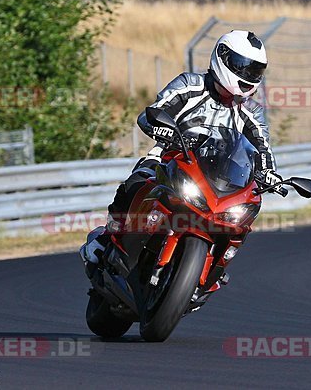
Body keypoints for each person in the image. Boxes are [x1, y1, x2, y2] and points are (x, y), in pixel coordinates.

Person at [80, 29, 282, 264]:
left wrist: (268, 173)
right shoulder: (189, 85)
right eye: (243, 67)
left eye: (255, 70)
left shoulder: (252, 111)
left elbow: (263, 147)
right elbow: (153, 113)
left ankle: (212, 270)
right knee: (135, 185)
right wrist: (163, 129)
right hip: (169, 160)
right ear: (223, 58)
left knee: (240, 218)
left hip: (217, 180)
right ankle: (106, 240)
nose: (248, 75)